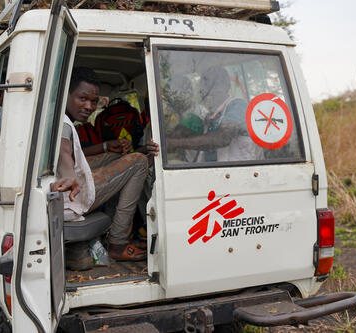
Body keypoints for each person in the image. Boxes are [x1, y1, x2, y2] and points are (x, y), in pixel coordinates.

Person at [54, 67, 157, 261]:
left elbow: (74, 154)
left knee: (117, 156)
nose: (89, 106)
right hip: (70, 195)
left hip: (66, 190)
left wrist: (138, 149)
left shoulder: (59, 117)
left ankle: (107, 232)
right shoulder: (64, 124)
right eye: (82, 98)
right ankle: (118, 244)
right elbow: (63, 150)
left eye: (93, 101)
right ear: (66, 93)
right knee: (139, 163)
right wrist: (70, 176)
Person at [166, 66, 263, 162]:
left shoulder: (238, 106)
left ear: (226, 86)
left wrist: (173, 143)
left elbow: (221, 138)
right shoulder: (211, 117)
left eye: (210, 84)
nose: (204, 90)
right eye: (202, 84)